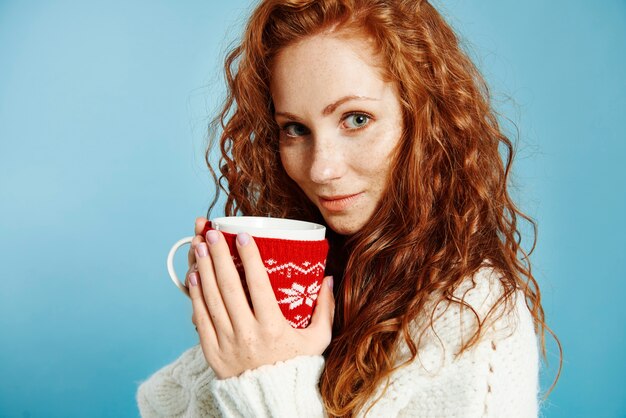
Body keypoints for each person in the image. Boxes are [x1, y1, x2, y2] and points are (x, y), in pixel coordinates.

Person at [137, 0, 560, 416]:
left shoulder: (475, 313)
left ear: (424, 121)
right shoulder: (323, 274)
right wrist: (231, 331)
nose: (321, 169)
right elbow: (162, 403)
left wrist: (266, 380)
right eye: (295, 129)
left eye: (356, 119)